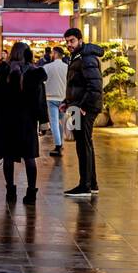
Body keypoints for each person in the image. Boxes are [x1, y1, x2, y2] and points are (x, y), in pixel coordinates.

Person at [0, 42, 47, 206]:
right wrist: (43, 122)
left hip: (5, 121)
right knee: (30, 157)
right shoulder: (34, 73)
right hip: (27, 122)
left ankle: (10, 190)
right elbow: (40, 101)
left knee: (8, 157)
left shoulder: (3, 72)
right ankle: (31, 193)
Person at [62, 28, 103, 200]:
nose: (69, 45)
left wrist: (83, 106)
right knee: (85, 143)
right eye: (67, 41)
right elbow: (75, 84)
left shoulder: (86, 58)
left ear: (80, 39)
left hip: (84, 108)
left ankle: (85, 185)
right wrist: (67, 101)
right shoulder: (78, 56)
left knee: (83, 144)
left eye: (71, 41)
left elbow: (95, 85)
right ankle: (91, 184)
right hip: (77, 106)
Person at [44, 46, 69, 157]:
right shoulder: (67, 67)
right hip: (63, 98)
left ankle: (58, 146)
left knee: (54, 122)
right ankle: (61, 143)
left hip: (50, 97)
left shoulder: (47, 67)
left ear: (54, 53)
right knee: (61, 122)